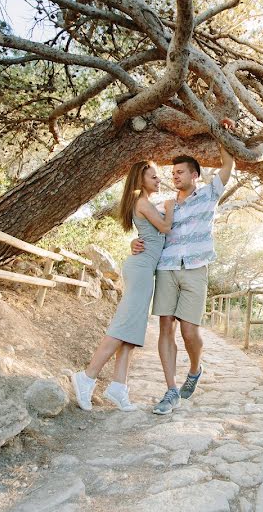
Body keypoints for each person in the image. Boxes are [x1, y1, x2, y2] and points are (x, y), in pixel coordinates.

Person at [131, 119, 235, 415]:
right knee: (165, 326)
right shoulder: (165, 205)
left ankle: (194, 369)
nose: (174, 176)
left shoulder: (209, 194)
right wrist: (134, 244)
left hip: (195, 268)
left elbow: (228, 164)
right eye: (172, 173)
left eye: (180, 172)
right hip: (166, 268)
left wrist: (222, 134)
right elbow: (147, 229)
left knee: (190, 331)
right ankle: (170, 390)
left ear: (194, 174)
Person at [70, 161, 174, 411]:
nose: (159, 180)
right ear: (141, 180)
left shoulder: (145, 202)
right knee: (122, 327)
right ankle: (86, 377)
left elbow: (151, 234)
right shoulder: (142, 201)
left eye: (158, 177)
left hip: (144, 269)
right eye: (154, 177)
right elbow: (166, 228)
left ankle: (119, 387)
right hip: (140, 271)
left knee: (131, 332)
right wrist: (170, 208)